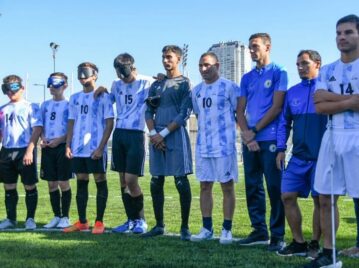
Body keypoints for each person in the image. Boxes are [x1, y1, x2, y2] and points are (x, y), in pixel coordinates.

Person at [304, 14, 359, 268]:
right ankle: (329, 254)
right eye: (338, 33)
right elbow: (319, 105)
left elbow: (327, 101)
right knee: (325, 196)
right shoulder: (327, 70)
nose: (341, 37)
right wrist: (350, 102)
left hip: (357, 136)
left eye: (348, 32)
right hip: (332, 136)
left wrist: (332, 100)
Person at [237, 33, 287, 251]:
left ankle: (277, 235)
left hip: (269, 140)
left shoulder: (279, 72)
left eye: (255, 46)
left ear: (268, 47)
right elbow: (239, 110)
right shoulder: (247, 78)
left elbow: (277, 108)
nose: (251, 50)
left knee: (275, 187)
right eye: (249, 47)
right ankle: (259, 230)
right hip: (250, 140)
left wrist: (254, 131)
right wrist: (247, 134)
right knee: (252, 186)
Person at [275, 50, 327, 258]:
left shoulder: (326, 88)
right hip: (297, 157)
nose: (300, 67)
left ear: (317, 64)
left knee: (320, 201)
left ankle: (315, 244)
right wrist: (281, 148)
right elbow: (284, 123)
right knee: (287, 196)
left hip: (322, 157)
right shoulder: (292, 92)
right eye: (298, 64)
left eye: (305, 63)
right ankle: (299, 242)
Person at [143, 45, 193, 240]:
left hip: (174, 134)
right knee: (156, 181)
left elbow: (184, 114)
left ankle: (185, 227)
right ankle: (159, 225)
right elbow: (148, 111)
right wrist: (154, 133)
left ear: (178, 59)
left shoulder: (184, 83)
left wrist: (162, 134)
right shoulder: (156, 85)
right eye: (164, 57)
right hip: (156, 137)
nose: (166, 61)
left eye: (169, 57)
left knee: (181, 181)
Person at [190, 52, 239, 245]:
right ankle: (206, 228)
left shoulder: (230, 87)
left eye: (207, 65)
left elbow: (238, 112)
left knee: (227, 186)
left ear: (217, 66)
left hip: (224, 146)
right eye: (201, 65)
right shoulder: (196, 91)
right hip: (203, 146)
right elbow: (197, 112)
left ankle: (227, 229)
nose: (203, 69)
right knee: (204, 186)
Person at [64, 62, 114, 234]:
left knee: (100, 181)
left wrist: (101, 147)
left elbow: (109, 123)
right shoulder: (74, 98)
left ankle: (99, 222)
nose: (82, 76)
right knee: (81, 182)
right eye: (80, 72)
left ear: (95, 75)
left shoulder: (103, 96)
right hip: (78, 149)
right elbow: (71, 122)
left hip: (95, 149)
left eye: (86, 72)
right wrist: (68, 144)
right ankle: (82, 222)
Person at [108, 53, 153, 234]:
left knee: (131, 180)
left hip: (137, 134)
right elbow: (108, 99)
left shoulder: (147, 82)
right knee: (122, 181)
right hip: (119, 133)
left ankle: (141, 220)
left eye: (124, 71)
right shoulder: (115, 85)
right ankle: (130, 220)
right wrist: (101, 89)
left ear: (132, 67)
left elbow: (161, 83)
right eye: (118, 72)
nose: (121, 76)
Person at [0, 75, 42, 230]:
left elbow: (37, 129)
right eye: (7, 89)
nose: (10, 92)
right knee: (8, 186)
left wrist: (30, 150)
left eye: (14, 88)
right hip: (6, 151)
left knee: (29, 185)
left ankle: (30, 218)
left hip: (24, 149)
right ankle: (11, 219)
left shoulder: (31, 106)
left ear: (22, 88)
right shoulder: (2, 109)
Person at [40, 72, 73, 229]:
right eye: (50, 84)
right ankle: (56, 216)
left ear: (64, 85)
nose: (52, 87)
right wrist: (44, 138)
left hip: (62, 146)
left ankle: (65, 217)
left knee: (63, 182)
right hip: (47, 147)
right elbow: (40, 125)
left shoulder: (69, 105)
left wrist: (59, 141)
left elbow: (71, 128)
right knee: (51, 183)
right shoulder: (45, 105)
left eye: (56, 84)